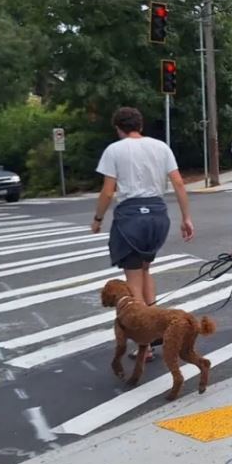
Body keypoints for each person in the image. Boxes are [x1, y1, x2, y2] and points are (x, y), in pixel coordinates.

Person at [91, 107, 195, 359]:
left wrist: (98, 218)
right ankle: (156, 329)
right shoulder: (161, 147)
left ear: (118, 128)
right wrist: (186, 217)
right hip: (158, 216)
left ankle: (144, 343)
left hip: (131, 217)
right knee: (146, 269)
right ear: (140, 125)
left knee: (133, 280)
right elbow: (178, 182)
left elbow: (107, 191)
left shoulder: (114, 150)